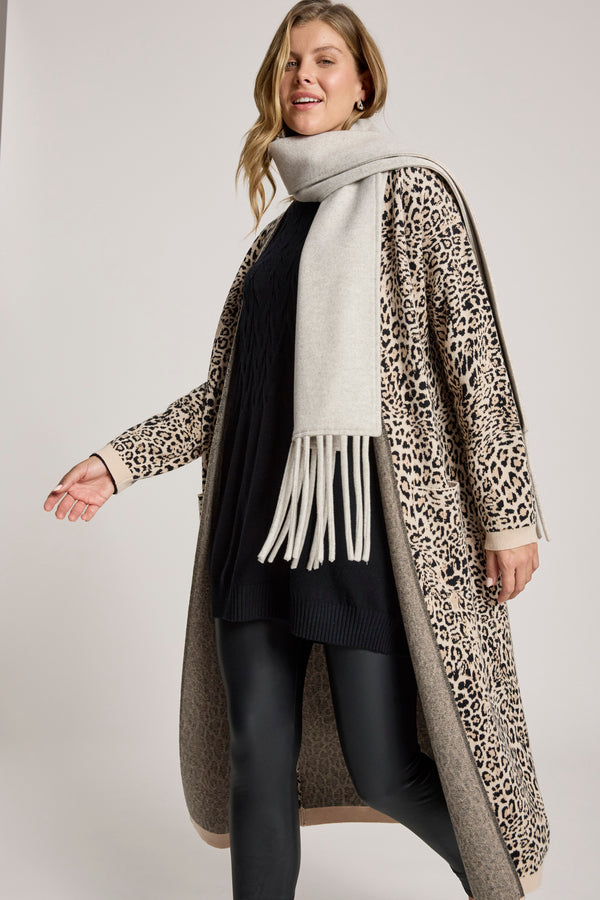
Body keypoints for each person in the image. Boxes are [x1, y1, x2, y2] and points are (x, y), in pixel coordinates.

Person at [43, 2, 550, 898]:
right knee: (257, 757)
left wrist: (507, 515)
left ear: (363, 84)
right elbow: (231, 396)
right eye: (288, 63)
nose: (303, 78)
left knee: (385, 765)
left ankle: (506, 886)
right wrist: (119, 462)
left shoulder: (414, 196)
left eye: (323, 60)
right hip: (254, 524)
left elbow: (474, 359)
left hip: (354, 527)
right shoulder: (279, 232)